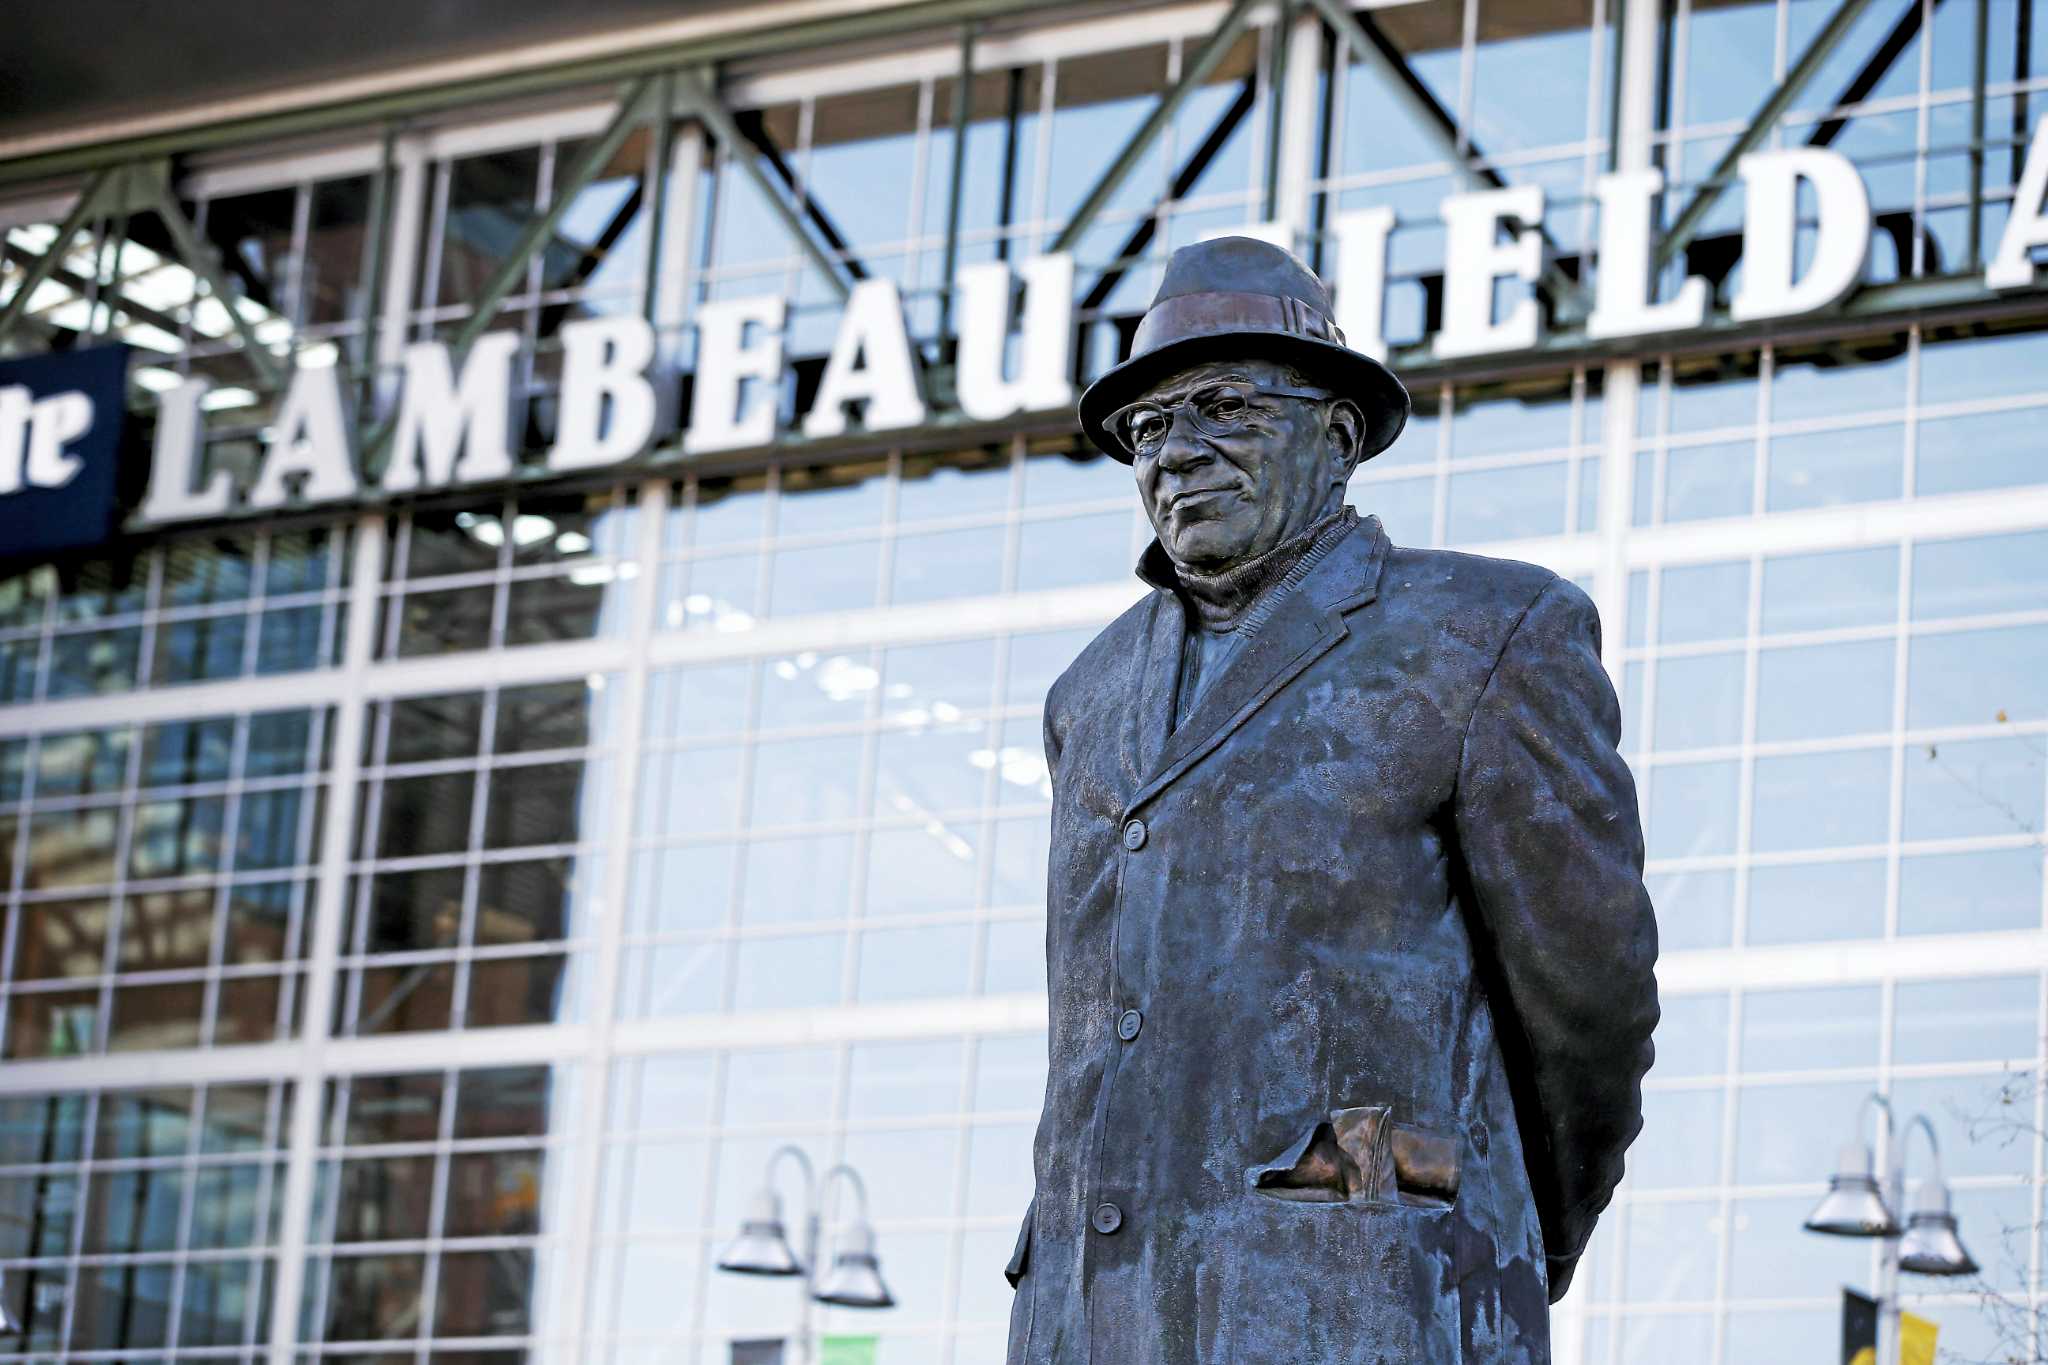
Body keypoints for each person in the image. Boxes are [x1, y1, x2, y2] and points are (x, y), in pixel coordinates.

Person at [1003, 236, 1659, 1364]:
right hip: (1083, 1316)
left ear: (1337, 435)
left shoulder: (1483, 634)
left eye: (1223, 407)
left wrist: (1491, 1235)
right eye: (1147, 430)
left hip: (1371, 1302)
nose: (1180, 453)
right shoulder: (1087, 696)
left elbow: (1586, 1006)